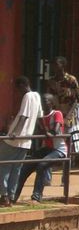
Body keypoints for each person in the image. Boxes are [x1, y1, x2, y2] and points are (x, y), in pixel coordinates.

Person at [16, 94, 67, 203]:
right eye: (42, 101)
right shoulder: (41, 116)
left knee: (42, 165)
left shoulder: (57, 113)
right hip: (46, 148)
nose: (43, 103)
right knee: (25, 167)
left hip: (58, 150)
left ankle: (36, 197)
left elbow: (56, 130)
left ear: (52, 103)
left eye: (46, 101)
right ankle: (13, 197)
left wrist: (47, 132)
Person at [1, 77, 43, 206]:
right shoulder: (37, 96)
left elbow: (24, 116)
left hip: (16, 139)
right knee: (16, 168)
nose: (18, 92)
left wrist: (15, 132)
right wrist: (45, 131)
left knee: (4, 166)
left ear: (23, 85)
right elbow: (40, 116)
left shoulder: (28, 96)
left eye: (18, 89)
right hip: (26, 141)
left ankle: (4, 195)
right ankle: (11, 196)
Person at [46, 57, 79, 155]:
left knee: (70, 135)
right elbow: (49, 98)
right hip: (58, 112)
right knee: (58, 135)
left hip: (70, 111)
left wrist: (69, 116)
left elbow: (77, 98)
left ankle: (70, 159)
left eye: (56, 64)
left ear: (62, 65)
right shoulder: (51, 81)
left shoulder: (71, 80)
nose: (54, 67)